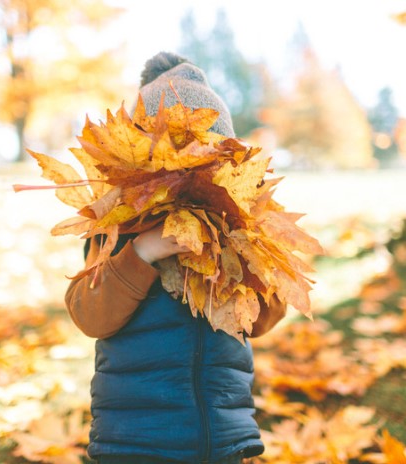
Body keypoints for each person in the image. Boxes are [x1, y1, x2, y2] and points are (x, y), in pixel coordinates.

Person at [65, 52, 287, 464]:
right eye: (172, 159)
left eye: (206, 159)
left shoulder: (235, 230)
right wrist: (142, 252)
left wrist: (247, 256)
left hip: (221, 435)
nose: (187, 174)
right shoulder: (116, 227)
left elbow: (265, 319)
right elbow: (89, 315)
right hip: (134, 439)